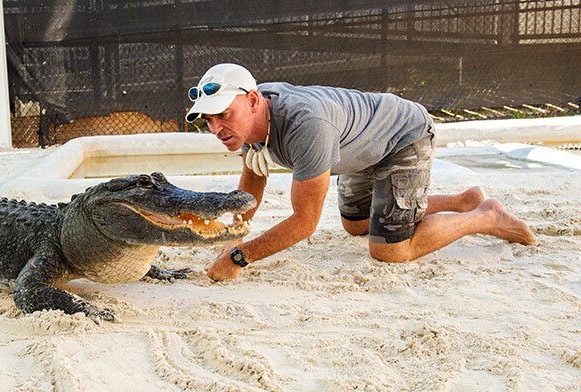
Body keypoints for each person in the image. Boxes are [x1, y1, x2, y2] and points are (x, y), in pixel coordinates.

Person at [184, 63, 537, 281]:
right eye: (208, 119)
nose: (216, 128)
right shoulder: (251, 118)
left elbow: (304, 223)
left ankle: (485, 216)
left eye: (223, 115)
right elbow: (253, 176)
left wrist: (239, 257)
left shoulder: (305, 125)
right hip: (360, 147)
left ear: (253, 101)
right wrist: (235, 232)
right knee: (355, 225)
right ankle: (463, 201)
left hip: (402, 136)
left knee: (390, 250)